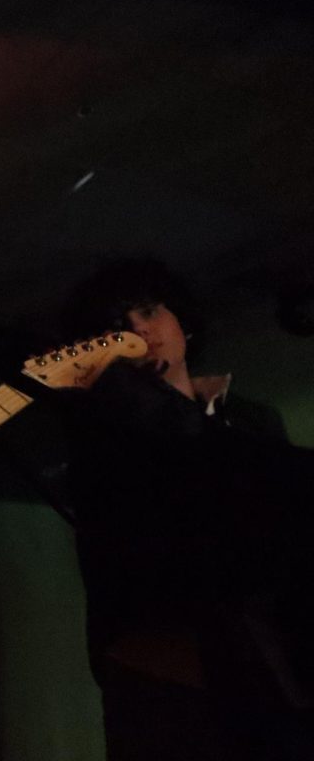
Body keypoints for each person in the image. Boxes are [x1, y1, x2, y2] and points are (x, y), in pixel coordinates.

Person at [59, 258, 314, 761]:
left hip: (274, 658)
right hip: (167, 670)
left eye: (150, 312)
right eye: (116, 326)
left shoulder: (251, 418)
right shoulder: (107, 432)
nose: (137, 331)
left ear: (181, 319)